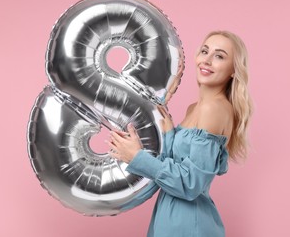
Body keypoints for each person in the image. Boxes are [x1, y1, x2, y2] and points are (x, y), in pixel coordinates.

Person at [106, 30, 253, 237]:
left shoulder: (213, 109)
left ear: (233, 70)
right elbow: (174, 167)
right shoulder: (195, 108)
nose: (207, 60)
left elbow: (190, 184)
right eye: (204, 51)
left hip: (188, 225)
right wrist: (168, 135)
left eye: (219, 56)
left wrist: (137, 157)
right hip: (169, 217)